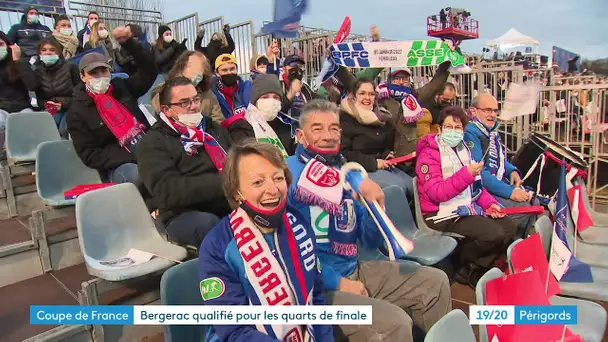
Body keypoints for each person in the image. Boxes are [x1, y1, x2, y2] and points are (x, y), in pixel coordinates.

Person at [287, 100, 451, 341]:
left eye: (333, 128)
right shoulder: (288, 174)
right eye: (317, 128)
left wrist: (376, 211)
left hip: (355, 268)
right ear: (301, 136)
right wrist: (339, 282)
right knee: (395, 324)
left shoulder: (348, 171)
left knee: (435, 283)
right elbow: (288, 252)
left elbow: (368, 239)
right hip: (317, 285)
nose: (327, 136)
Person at [198, 140, 333, 342]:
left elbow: (316, 298)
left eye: (278, 178)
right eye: (258, 182)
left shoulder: (299, 223)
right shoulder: (217, 246)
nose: (273, 190)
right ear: (237, 192)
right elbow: (234, 330)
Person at [416, 106, 517, 287]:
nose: (453, 132)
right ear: (439, 129)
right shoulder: (428, 154)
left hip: (465, 206)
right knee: (493, 233)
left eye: (458, 128)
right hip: (440, 213)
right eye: (448, 127)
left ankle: (475, 266)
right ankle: (462, 265)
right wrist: (467, 174)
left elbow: (477, 188)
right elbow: (437, 193)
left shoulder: (464, 151)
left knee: (508, 226)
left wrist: (491, 204)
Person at [137, 77, 231, 247]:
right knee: (210, 225)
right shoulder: (153, 142)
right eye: (185, 102)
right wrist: (225, 182)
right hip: (180, 215)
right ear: (166, 110)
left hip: (225, 201)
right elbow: (168, 192)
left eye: (196, 99)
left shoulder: (212, 130)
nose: (194, 106)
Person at [67, 25, 158, 185]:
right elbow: (90, 154)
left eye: (104, 71)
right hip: (118, 167)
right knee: (141, 174)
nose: (100, 76)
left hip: (149, 149)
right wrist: (131, 155)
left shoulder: (121, 88)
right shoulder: (77, 111)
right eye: (94, 73)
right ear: (82, 76)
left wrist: (129, 44)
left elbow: (149, 71)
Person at [464, 94, 537, 236]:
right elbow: (479, 174)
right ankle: (506, 246)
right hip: (479, 191)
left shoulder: (490, 131)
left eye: (495, 111)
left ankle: (518, 242)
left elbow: (498, 159)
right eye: (487, 110)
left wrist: (512, 171)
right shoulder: (471, 133)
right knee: (524, 209)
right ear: (473, 111)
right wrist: (510, 192)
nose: (492, 115)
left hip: (496, 183)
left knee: (535, 202)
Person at [340, 78, 414, 197]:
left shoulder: (381, 117)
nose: (367, 98)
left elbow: (383, 145)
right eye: (362, 93)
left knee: (412, 185)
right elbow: (345, 152)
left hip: (382, 165)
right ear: (354, 96)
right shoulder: (345, 118)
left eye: (371, 94)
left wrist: (386, 154)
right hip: (361, 169)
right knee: (398, 187)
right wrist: (374, 163)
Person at [18, 37, 80, 138]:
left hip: (71, 106)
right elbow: (38, 98)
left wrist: (63, 105)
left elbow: (80, 92)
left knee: (65, 129)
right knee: (49, 129)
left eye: (52, 50)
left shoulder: (71, 67)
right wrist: (47, 105)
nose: (48, 53)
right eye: (44, 50)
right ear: (39, 53)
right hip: (52, 109)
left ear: (59, 52)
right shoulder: (38, 71)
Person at [240, 73, 296, 155]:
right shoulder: (243, 127)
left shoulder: (287, 126)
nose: (271, 101)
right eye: (265, 97)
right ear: (255, 101)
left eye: (276, 97)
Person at [166, 50, 223, 122]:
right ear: (181, 67)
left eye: (201, 67)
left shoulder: (208, 94)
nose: (196, 71)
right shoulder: (164, 89)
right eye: (191, 66)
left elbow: (218, 120)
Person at [211, 53, 252, 125]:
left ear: (237, 69)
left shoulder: (247, 87)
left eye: (232, 69)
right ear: (217, 73)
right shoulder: (213, 94)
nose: (229, 72)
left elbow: (267, 87)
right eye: (224, 70)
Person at [0, 31, 30, 129]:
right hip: (2, 109)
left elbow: (32, 85)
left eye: (1, 44)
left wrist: (17, 61)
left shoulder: (19, 63)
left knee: (28, 123)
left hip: (22, 108)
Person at [280, 54, 314, 120]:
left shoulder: (305, 86)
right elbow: (277, 111)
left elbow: (316, 101)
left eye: (299, 65)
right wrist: (291, 94)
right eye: (293, 65)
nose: (296, 68)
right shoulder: (279, 85)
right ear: (284, 69)